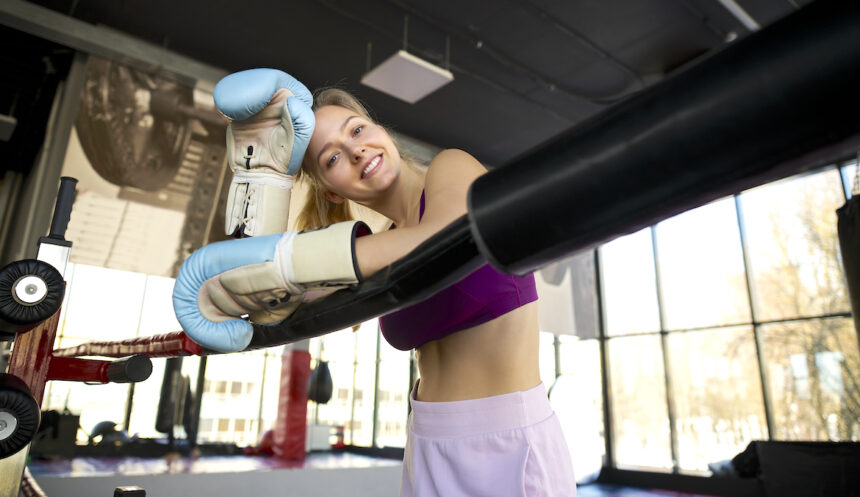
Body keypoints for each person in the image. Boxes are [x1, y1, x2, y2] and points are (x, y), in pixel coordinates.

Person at [173, 69, 576, 496]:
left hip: (509, 443)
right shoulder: (372, 251)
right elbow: (270, 304)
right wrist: (268, 181)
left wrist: (291, 262)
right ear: (330, 191)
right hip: (426, 443)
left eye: (358, 129)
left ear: (379, 129)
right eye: (331, 158)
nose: (356, 149)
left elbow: (441, 239)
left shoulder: (451, 167)